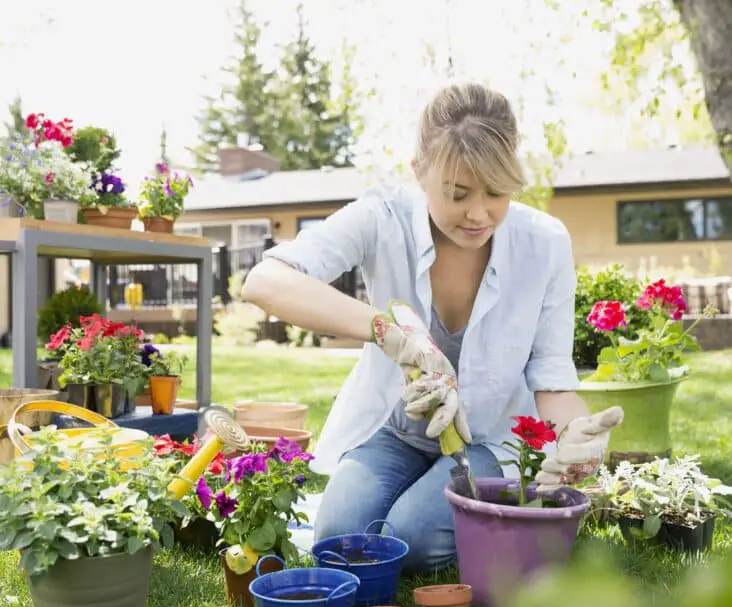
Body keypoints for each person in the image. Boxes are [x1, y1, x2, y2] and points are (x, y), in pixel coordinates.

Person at [241, 82, 623, 574]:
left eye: (497, 192)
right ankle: (439, 507)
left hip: (490, 437)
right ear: (419, 171)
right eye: (458, 193)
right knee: (338, 539)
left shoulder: (544, 243)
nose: (480, 213)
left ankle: (433, 514)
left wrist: (575, 432)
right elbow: (265, 280)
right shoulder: (382, 219)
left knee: (415, 542)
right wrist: (389, 333)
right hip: (399, 432)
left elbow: (551, 376)